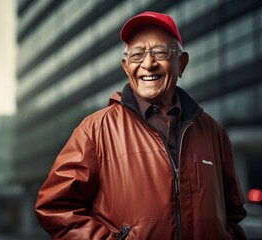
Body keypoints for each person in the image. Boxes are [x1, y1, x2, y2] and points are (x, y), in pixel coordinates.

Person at [35, 11, 247, 240]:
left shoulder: (213, 132)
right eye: (137, 55)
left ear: (182, 63)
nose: (148, 63)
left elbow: (233, 215)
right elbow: (54, 207)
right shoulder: (95, 130)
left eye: (160, 52)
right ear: (126, 67)